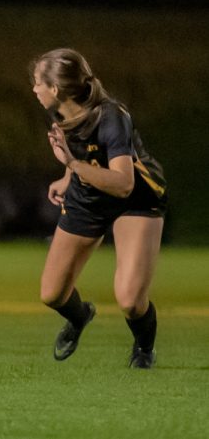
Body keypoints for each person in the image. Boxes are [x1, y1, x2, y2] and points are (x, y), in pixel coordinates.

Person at [30, 48, 167, 369]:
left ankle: (144, 349)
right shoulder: (58, 113)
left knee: (131, 301)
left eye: (37, 83)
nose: (33, 89)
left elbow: (123, 183)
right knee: (52, 294)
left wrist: (73, 166)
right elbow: (77, 152)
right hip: (88, 197)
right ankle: (80, 318)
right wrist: (67, 176)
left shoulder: (111, 117)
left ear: (55, 88)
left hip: (135, 200)